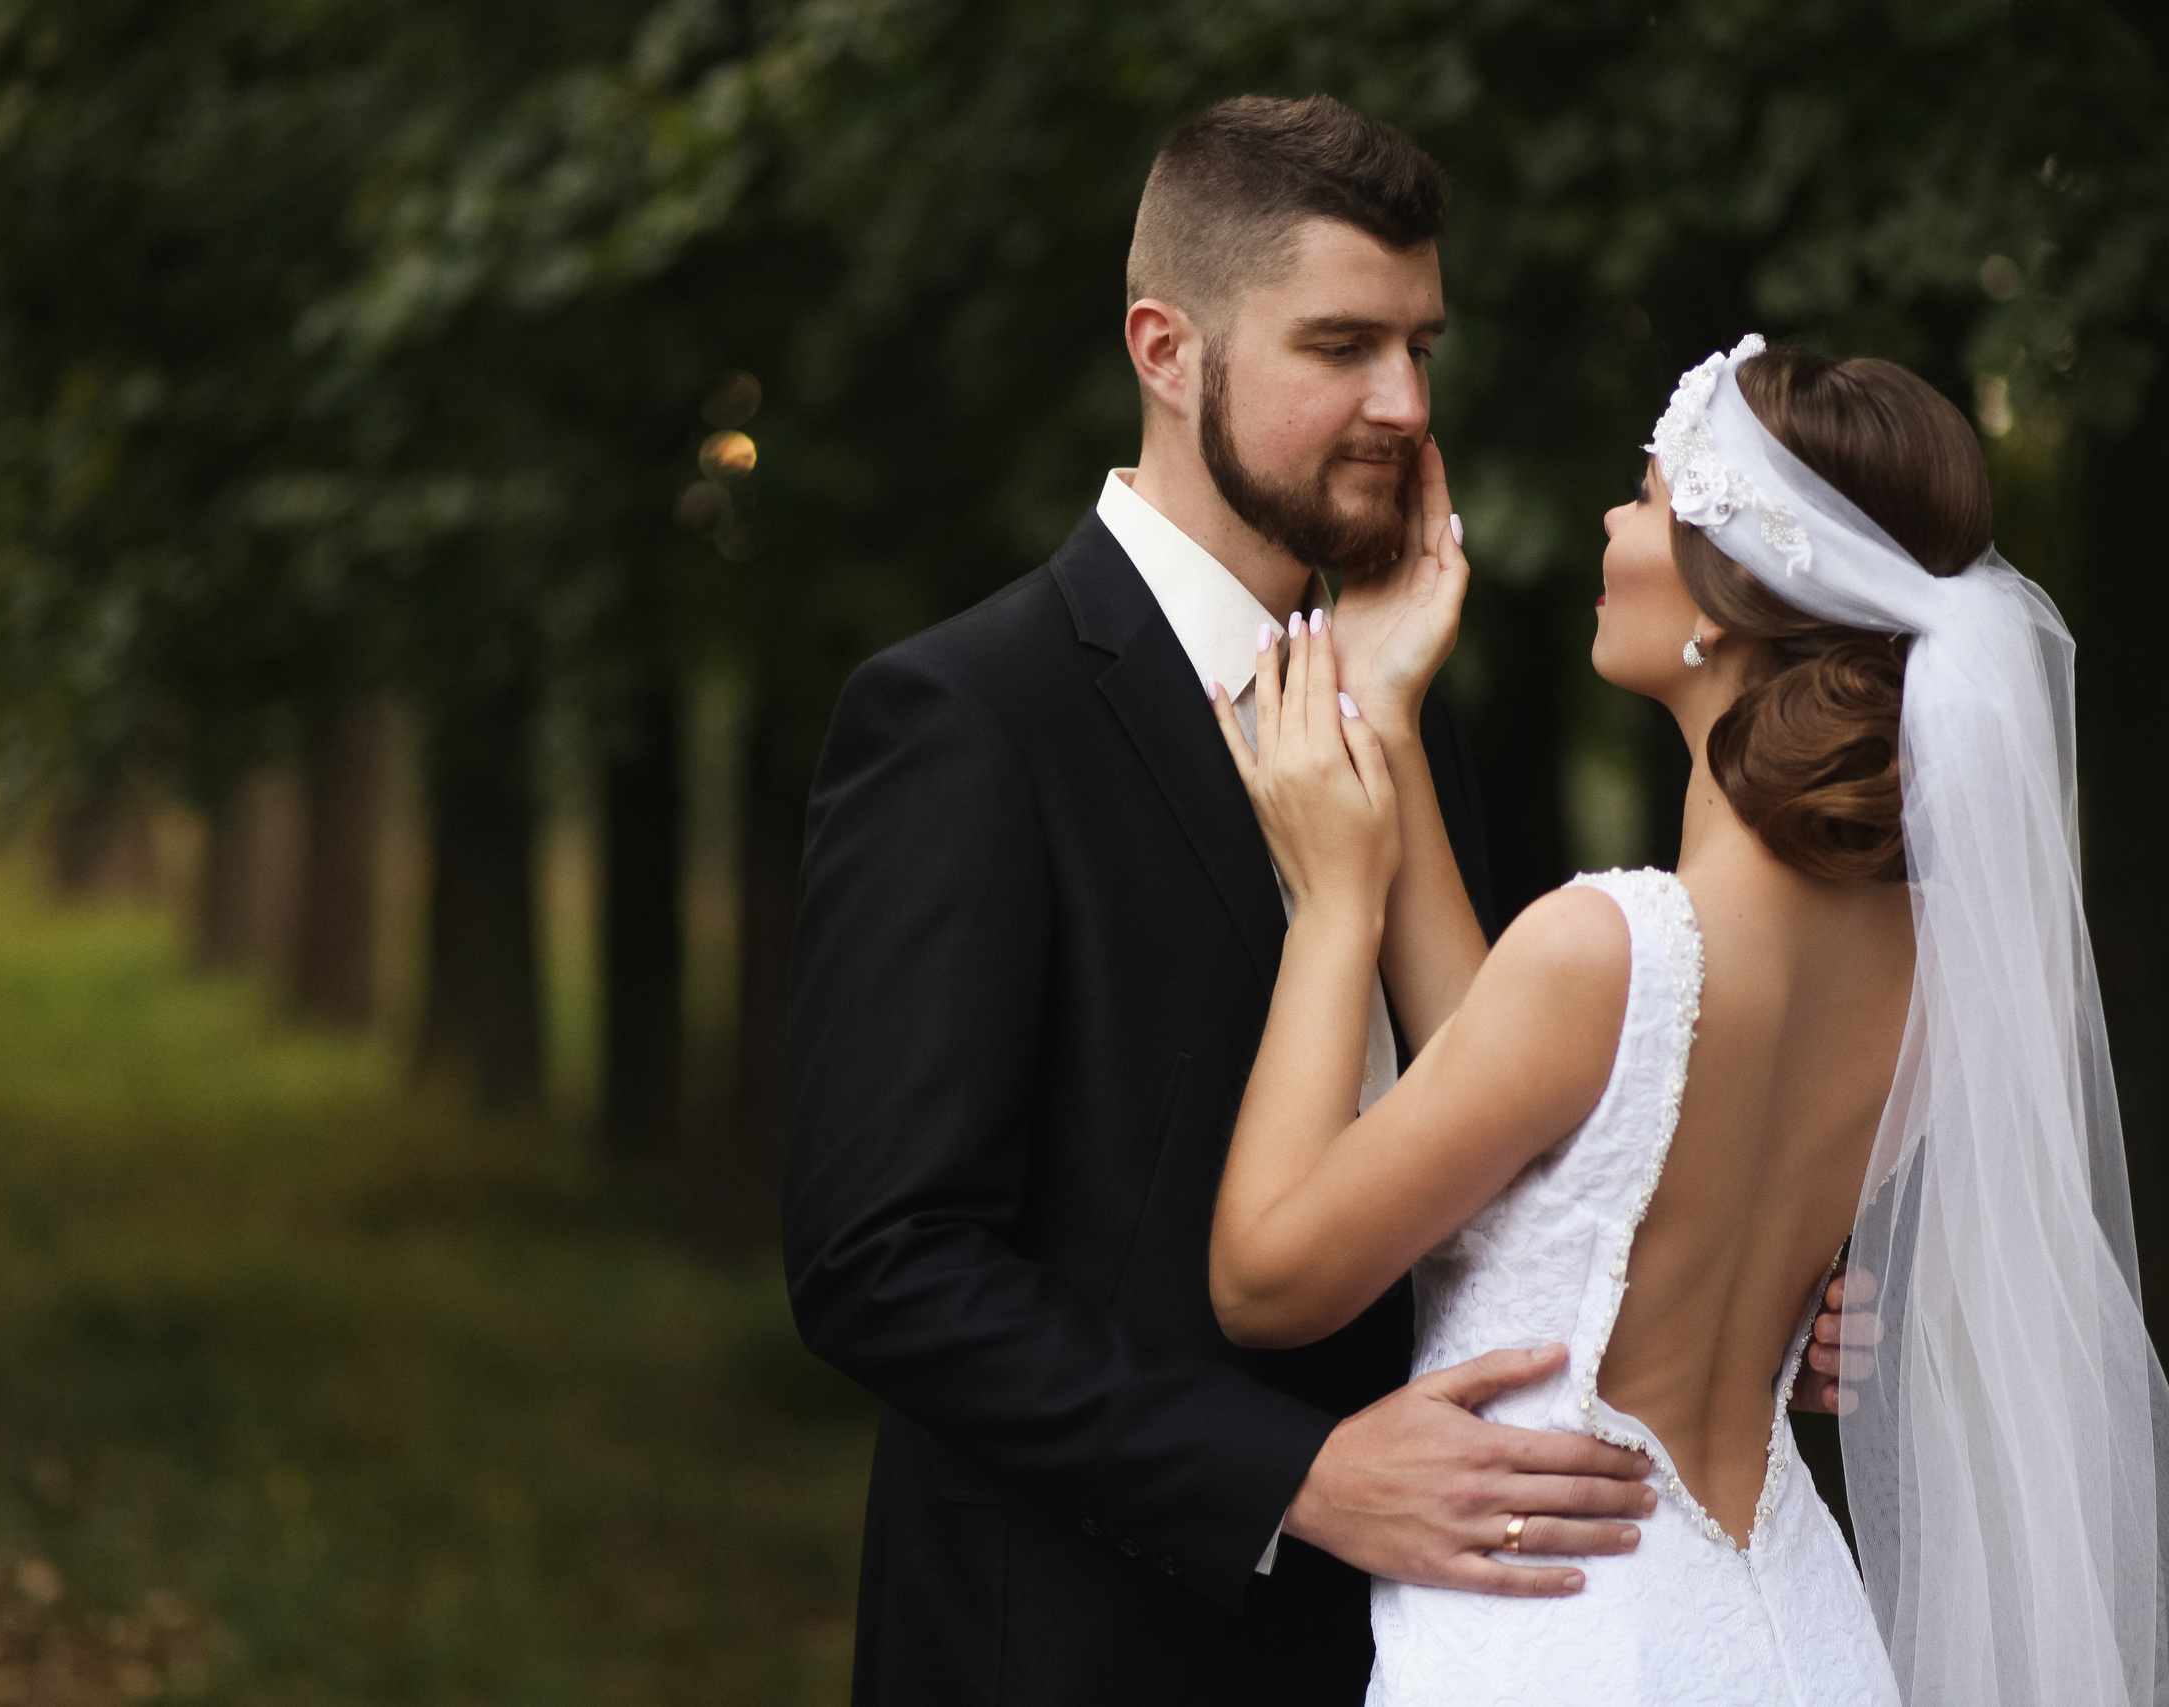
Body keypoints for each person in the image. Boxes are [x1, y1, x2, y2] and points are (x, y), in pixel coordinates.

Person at [783, 98, 1848, 1704]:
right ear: (1167, 348)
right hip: (1086, 1647)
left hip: (1453, 1640)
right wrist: (1290, 1479)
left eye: (1422, 345)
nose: (1405, 405)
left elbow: (1506, 1149)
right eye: (1343, 345)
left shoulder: (1415, 710)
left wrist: (1752, 1276)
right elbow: (884, 1262)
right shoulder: (968, 719)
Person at [1207, 335, 2169, 1704]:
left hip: (1564, 1638)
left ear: (1724, 599)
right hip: (1797, 1635)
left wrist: (1340, 902)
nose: (1609, 522)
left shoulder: (1607, 949)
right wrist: (1388, 731)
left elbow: (1267, 1279)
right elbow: (1541, 1124)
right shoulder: (1927, 970)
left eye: (1643, 495)